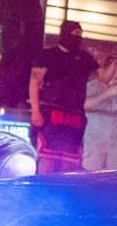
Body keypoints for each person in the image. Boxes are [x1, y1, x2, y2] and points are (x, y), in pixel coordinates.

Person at [29, 20, 95, 174]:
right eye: (75, 33)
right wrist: (35, 110)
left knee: (70, 162)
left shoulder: (84, 58)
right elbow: (34, 82)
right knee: (47, 158)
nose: (78, 37)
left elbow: (103, 77)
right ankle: (42, 192)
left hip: (74, 115)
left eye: (80, 34)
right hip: (51, 113)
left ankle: (63, 194)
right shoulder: (47, 55)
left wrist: (114, 63)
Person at [81, 54, 117, 172]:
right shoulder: (92, 86)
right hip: (94, 142)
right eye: (113, 72)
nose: (116, 76)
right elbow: (84, 104)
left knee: (114, 180)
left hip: (116, 144)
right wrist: (108, 93)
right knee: (92, 178)